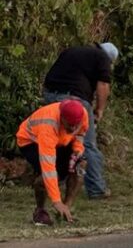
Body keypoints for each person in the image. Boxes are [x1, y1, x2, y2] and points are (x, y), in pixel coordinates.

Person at [42, 41, 119, 200]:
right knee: (87, 143)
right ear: (109, 59)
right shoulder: (102, 58)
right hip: (74, 99)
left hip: (50, 95)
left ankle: (55, 181)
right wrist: (99, 110)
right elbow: (103, 85)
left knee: (59, 141)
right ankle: (97, 188)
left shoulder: (72, 49)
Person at [16, 98, 88, 226]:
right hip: (31, 141)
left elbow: (80, 133)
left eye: (75, 125)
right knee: (47, 176)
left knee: (80, 166)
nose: (73, 128)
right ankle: (40, 212)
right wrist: (56, 201)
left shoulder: (83, 114)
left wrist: (77, 150)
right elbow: (48, 168)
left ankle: (66, 210)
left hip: (61, 140)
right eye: (69, 125)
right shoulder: (48, 126)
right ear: (61, 118)